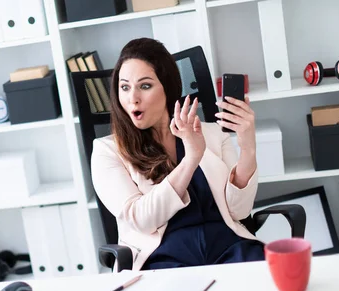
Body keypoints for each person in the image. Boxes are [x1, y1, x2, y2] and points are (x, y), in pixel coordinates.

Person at [91, 38, 264, 271]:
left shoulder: (213, 134)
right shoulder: (106, 151)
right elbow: (142, 220)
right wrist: (191, 159)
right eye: (125, 87)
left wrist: (248, 148)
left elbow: (239, 211)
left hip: (228, 246)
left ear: (168, 88)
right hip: (164, 258)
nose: (133, 98)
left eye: (144, 86)